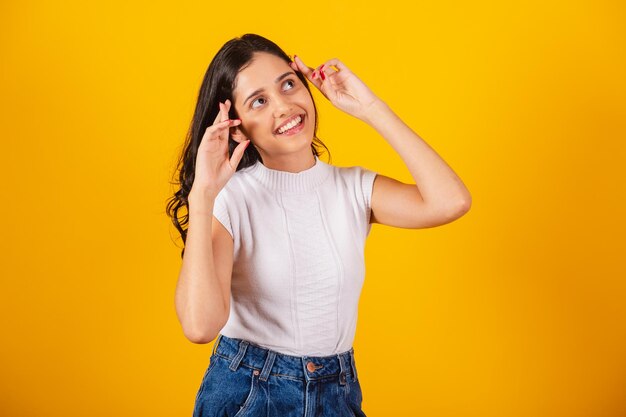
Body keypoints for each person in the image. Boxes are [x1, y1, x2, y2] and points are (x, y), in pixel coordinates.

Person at [166, 33, 471, 417]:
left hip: (337, 393)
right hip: (251, 393)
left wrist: (371, 108)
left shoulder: (353, 189)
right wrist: (202, 196)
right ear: (237, 128)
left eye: (289, 84)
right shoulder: (230, 199)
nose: (284, 106)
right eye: (259, 101)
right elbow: (199, 326)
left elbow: (451, 201)